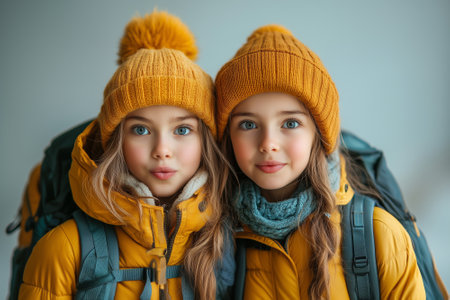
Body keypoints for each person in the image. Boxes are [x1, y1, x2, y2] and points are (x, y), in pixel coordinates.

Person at [18, 11, 234, 300]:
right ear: (116, 142)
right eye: (141, 130)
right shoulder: (64, 249)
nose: (162, 150)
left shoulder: (226, 243)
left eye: (182, 130)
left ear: (206, 141)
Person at [215, 25, 426, 299]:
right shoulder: (217, 239)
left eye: (290, 123)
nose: (268, 143)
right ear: (228, 136)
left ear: (319, 134)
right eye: (248, 124)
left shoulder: (378, 236)